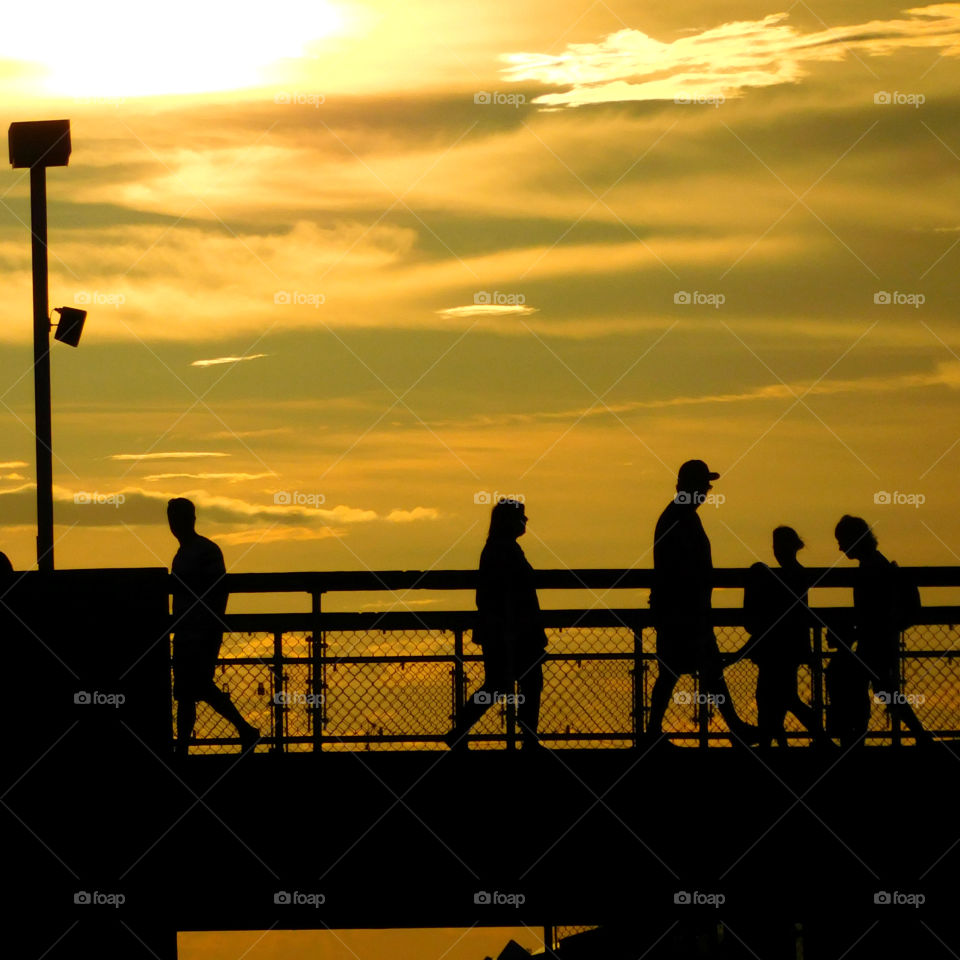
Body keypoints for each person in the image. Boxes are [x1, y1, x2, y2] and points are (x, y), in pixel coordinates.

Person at [646, 460, 758, 745]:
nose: (707, 491)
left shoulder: (679, 515)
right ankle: (732, 727)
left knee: (685, 671)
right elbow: (683, 567)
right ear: (691, 486)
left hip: (684, 610)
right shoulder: (680, 517)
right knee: (688, 671)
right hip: (684, 611)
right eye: (703, 486)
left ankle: (655, 731)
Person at [444, 498, 547, 752]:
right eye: (521, 516)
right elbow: (509, 593)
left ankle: (461, 730)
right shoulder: (504, 550)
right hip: (513, 631)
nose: (526, 521)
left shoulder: (497, 548)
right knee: (526, 682)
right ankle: (528, 737)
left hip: (503, 630)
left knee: (499, 684)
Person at [168, 498, 259, 755]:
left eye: (178, 517)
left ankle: (243, 729)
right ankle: (186, 745)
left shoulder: (203, 551)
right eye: (173, 517)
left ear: (191, 519)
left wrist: (208, 624)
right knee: (188, 691)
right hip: (187, 630)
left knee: (196, 685)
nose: (175, 524)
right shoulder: (187, 552)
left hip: (201, 630)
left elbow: (217, 590)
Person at [831, 515, 930, 746]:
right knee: (880, 687)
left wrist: (855, 631)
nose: (840, 547)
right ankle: (916, 734)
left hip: (876, 638)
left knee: (870, 686)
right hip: (879, 636)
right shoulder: (876, 563)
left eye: (842, 540)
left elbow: (873, 610)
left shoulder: (871, 568)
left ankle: (857, 738)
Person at [742, 527, 832, 748]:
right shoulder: (796, 574)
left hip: (780, 647)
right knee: (780, 698)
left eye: (778, 546)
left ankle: (773, 741)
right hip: (789, 645)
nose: (776, 551)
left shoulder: (789, 575)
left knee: (773, 697)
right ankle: (780, 741)